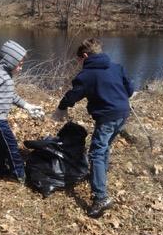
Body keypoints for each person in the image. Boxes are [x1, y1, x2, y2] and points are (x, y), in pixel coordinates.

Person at [52, 38, 134, 218]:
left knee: (96, 152)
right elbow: (129, 90)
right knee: (104, 147)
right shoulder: (116, 66)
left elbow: (73, 95)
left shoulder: (87, 75)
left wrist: (62, 107)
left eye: (79, 59)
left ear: (86, 56)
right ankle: (100, 174)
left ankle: (101, 197)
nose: (79, 63)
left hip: (107, 117)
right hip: (123, 113)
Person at [0, 40, 44, 183]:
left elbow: (12, 96)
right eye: (20, 64)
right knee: (11, 146)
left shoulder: (6, 75)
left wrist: (27, 106)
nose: (21, 67)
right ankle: (19, 174)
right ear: (10, 61)